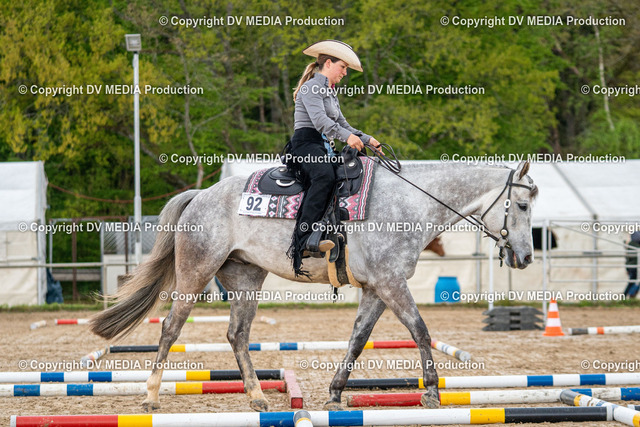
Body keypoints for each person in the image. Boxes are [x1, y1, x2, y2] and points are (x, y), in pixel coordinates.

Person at [287, 40, 381, 276]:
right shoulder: (311, 88)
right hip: (306, 144)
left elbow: (342, 124)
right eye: (343, 67)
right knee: (324, 177)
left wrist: (368, 139)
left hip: (321, 145)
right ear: (328, 63)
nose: (345, 72)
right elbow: (321, 122)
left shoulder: (330, 92)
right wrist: (348, 137)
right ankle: (304, 238)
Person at [624, 231, 640, 298]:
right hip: (634, 266)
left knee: (633, 281)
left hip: (633, 266)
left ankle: (630, 295)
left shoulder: (631, 244)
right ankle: (628, 295)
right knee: (633, 281)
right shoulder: (633, 244)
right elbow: (628, 258)